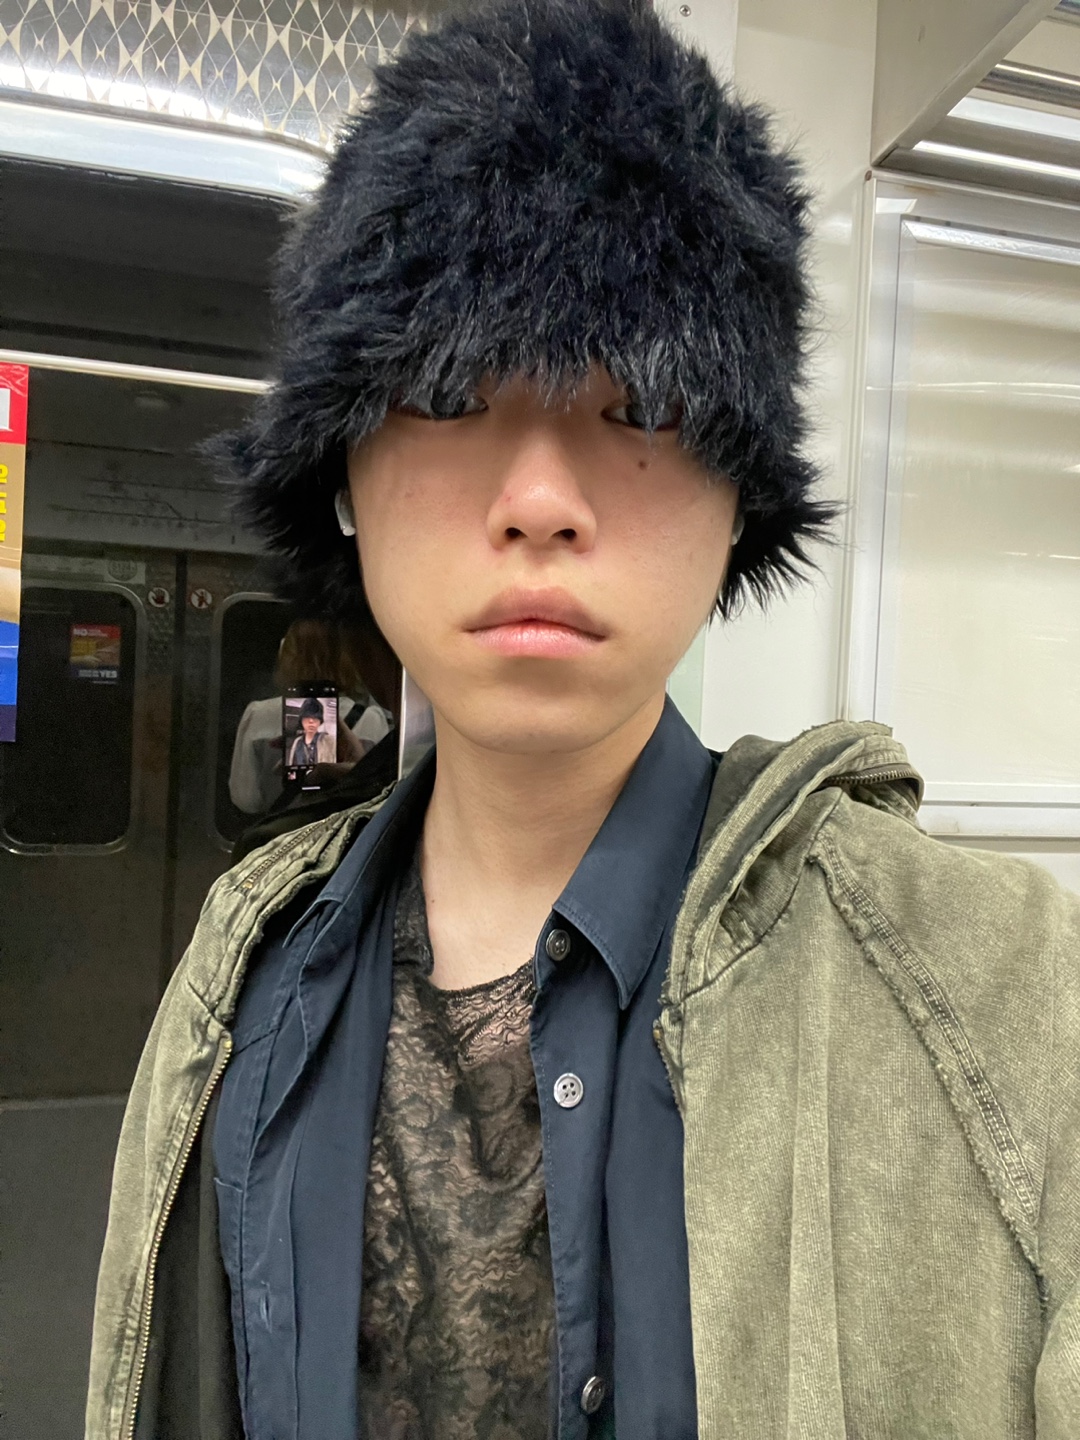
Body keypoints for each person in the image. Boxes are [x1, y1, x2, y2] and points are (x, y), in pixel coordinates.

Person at [87, 1, 1080, 1438]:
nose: (542, 498)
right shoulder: (243, 968)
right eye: (447, 389)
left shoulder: (1004, 993)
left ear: (740, 488)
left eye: (646, 400)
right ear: (341, 472)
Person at [229, 618, 397, 815]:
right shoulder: (371, 718)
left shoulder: (257, 714)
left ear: (285, 655)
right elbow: (379, 796)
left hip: (281, 828)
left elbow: (246, 800)